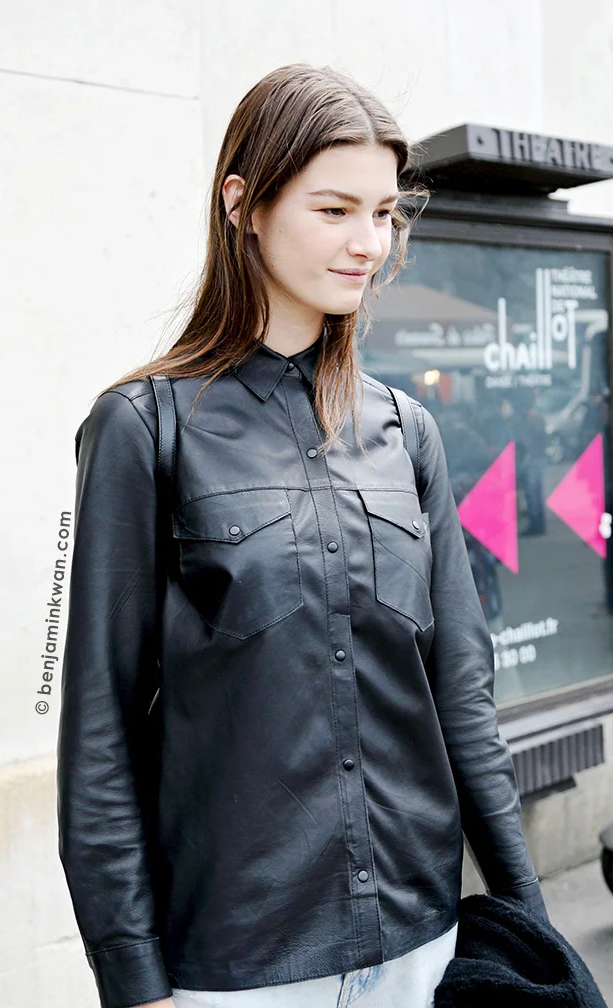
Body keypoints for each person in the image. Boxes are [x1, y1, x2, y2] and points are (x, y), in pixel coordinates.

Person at [56, 63, 546, 1008]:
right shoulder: (139, 428)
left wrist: (527, 919)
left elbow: (462, 699)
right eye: (335, 210)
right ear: (243, 203)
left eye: (385, 213)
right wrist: (132, 977)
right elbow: (99, 726)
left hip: (420, 943)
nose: (369, 243)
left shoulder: (408, 432)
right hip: (235, 965)